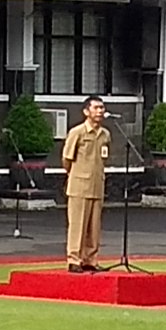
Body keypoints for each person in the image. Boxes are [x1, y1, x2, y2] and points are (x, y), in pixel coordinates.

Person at [60, 96, 114, 270]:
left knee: (94, 226)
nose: (100, 111)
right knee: (78, 225)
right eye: (96, 108)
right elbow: (66, 159)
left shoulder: (105, 134)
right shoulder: (77, 132)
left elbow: (105, 157)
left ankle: (90, 259)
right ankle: (74, 260)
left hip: (97, 184)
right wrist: (75, 174)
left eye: (102, 108)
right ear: (86, 111)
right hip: (79, 185)